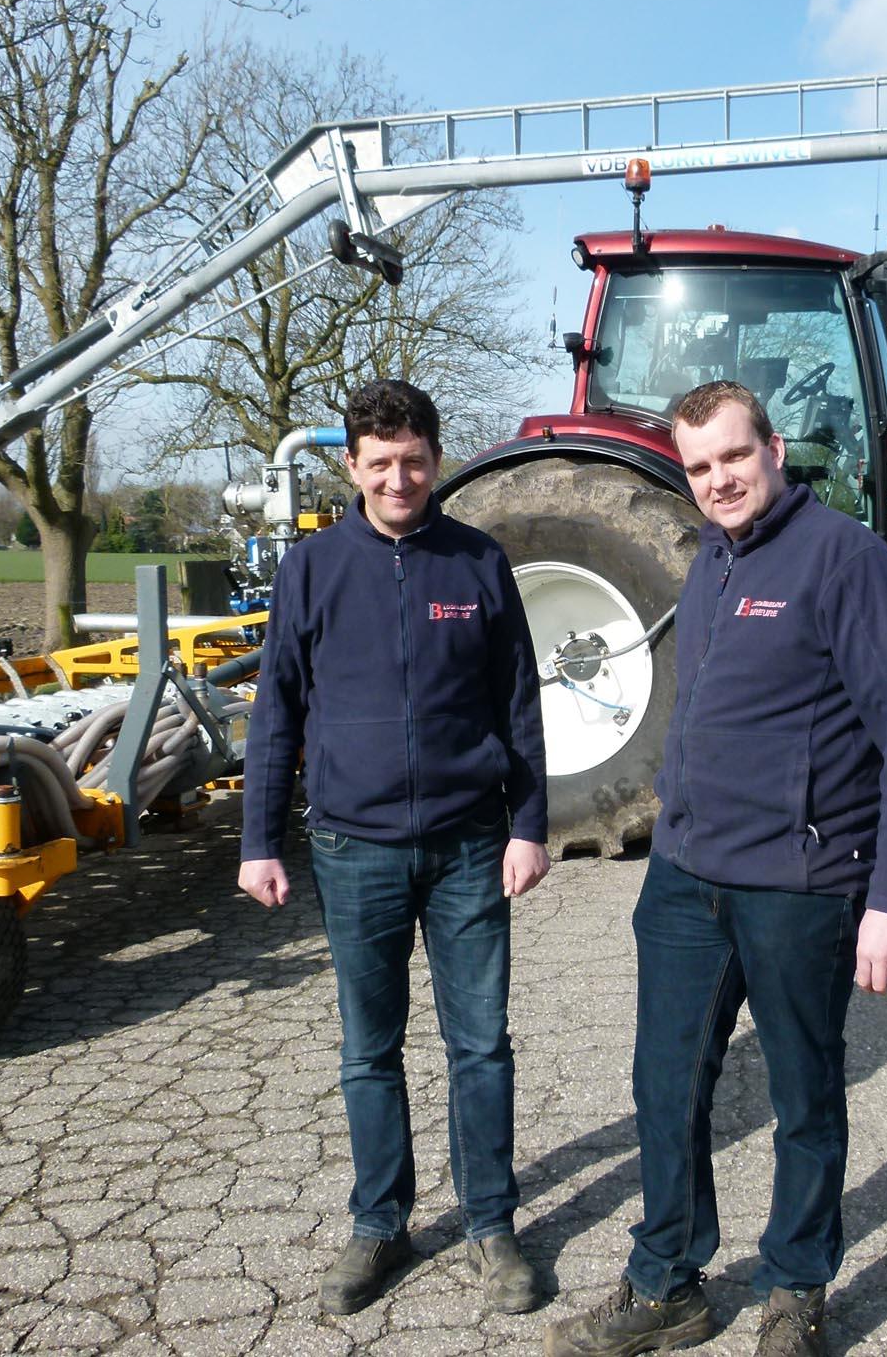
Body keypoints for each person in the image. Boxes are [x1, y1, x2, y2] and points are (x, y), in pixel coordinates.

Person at [545, 381, 887, 1357]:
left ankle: (794, 1287)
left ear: (770, 447)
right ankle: (666, 1282)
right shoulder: (708, 565)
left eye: (732, 456)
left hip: (799, 883)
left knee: (802, 1096)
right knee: (664, 1084)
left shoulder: (847, 563)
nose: (717, 479)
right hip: (686, 879)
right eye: (698, 467)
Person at [239, 378, 552, 1317]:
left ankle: (492, 1224)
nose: (398, 477)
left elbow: (521, 704)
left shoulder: (479, 563)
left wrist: (530, 823)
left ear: (436, 458)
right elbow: (276, 712)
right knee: (369, 1050)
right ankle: (380, 1225)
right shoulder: (311, 569)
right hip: (353, 847)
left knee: (479, 1047)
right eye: (379, 463)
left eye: (414, 460)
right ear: (352, 466)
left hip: (467, 847)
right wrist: (260, 840)